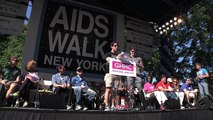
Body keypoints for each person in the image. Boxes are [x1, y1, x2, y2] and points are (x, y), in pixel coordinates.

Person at [103, 41, 122, 111]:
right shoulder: (108, 54)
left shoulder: (119, 55)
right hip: (109, 73)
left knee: (115, 91)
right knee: (108, 89)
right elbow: (108, 60)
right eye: (115, 45)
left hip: (116, 74)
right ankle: (107, 105)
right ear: (111, 46)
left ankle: (113, 105)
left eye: (117, 46)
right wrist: (117, 58)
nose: (117, 47)